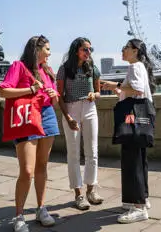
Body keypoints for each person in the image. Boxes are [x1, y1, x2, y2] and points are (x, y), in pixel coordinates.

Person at [0, 35, 60, 232]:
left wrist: (54, 95)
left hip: (47, 115)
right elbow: (3, 92)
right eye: (47, 49)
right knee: (27, 170)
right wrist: (30, 89)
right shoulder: (18, 66)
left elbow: (55, 98)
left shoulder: (48, 71)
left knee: (42, 166)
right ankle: (19, 215)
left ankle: (41, 208)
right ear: (37, 49)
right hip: (26, 117)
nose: (50, 53)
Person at [101, 38, 156, 224]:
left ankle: (138, 208)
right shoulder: (140, 67)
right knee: (140, 161)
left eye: (126, 48)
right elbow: (134, 91)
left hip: (131, 120)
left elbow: (137, 90)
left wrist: (115, 86)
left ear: (135, 51)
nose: (122, 50)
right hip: (141, 119)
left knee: (132, 161)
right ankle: (142, 199)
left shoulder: (134, 66)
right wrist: (117, 89)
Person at [56, 37, 104, 210]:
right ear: (76, 50)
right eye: (85, 49)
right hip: (71, 108)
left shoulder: (92, 67)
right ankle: (78, 194)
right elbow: (59, 96)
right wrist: (68, 117)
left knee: (92, 151)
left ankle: (92, 190)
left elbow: (98, 91)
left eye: (90, 49)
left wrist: (94, 95)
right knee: (73, 153)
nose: (88, 53)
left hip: (90, 108)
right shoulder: (64, 69)